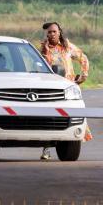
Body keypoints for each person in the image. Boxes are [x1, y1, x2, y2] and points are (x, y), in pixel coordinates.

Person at [38, 21, 91, 159]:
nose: (51, 34)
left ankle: (70, 146)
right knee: (48, 119)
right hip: (49, 90)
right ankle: (46, 149)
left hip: (67, 89)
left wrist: (82, 76)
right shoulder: (44, 49)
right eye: (49, 32)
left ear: (59, 32)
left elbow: (83, 58)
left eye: (54, 31)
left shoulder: (67, 47)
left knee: (70, 118)